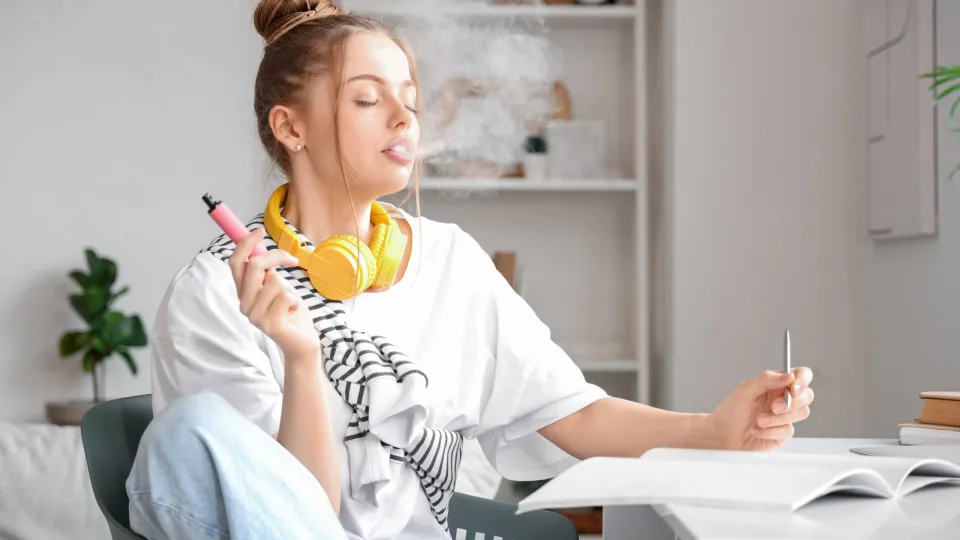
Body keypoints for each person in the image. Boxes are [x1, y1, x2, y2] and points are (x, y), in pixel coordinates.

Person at [125, 1, 816, 539]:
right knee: (191, 430)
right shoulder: (215, 293)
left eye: (410, 100)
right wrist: (303, 363)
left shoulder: (449, 258)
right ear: (290, 127)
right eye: (367, 99)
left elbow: (571, 414)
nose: (404, 119)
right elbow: (292, 518)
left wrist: (712, 430)